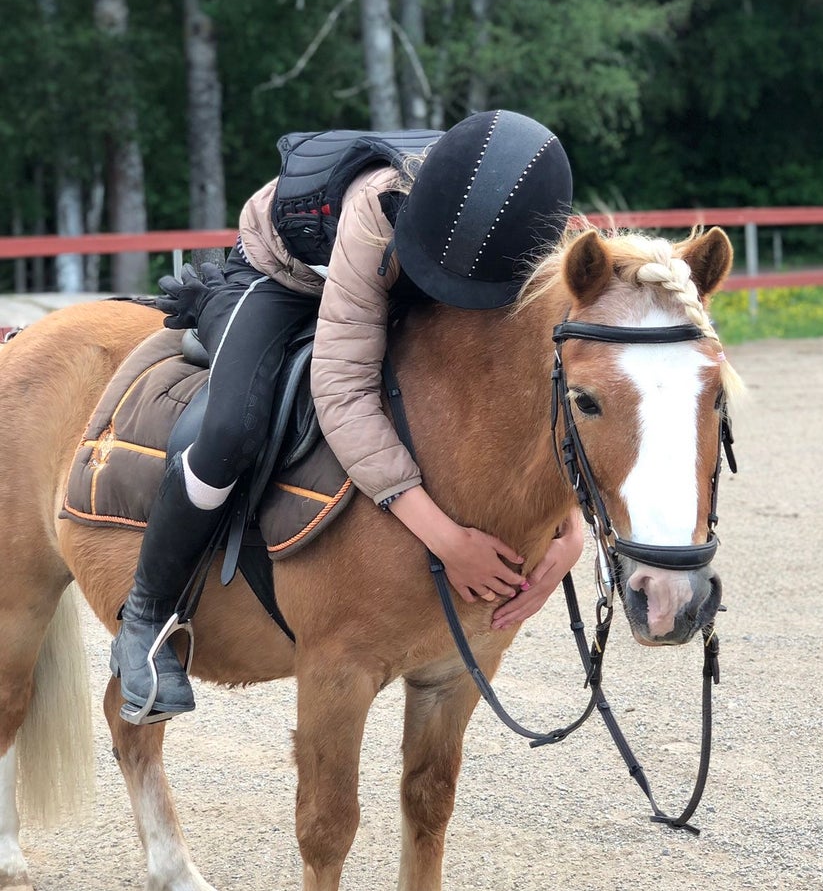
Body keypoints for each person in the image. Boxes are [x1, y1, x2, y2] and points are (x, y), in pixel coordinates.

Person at [110, 109, 585, 724]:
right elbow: (341, 384)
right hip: (291, 273)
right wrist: (444, 538)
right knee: (230, 428)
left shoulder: (550, 232)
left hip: (447, 276)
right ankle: (145, 620)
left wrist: (569, 529)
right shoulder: (376, 207)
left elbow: (558, 391)